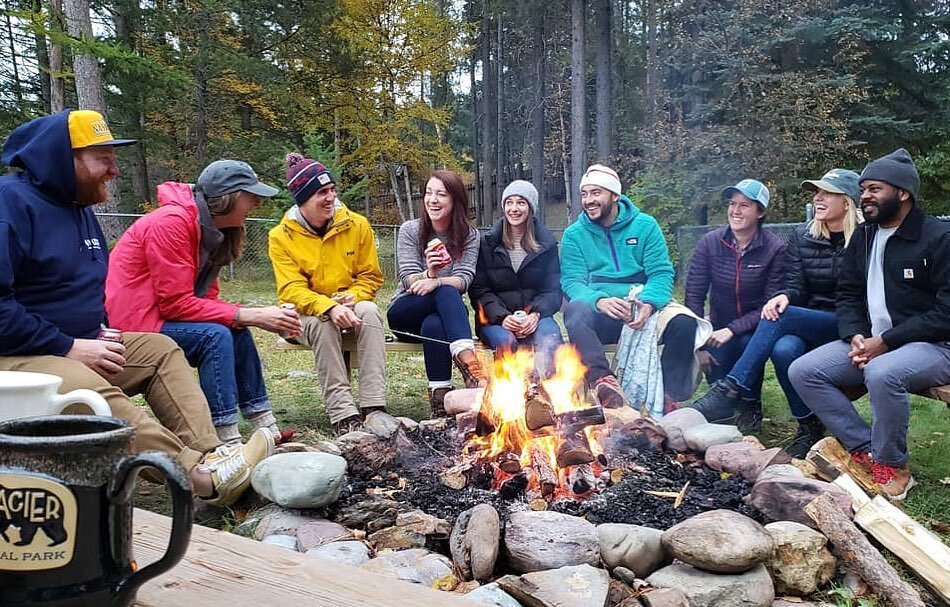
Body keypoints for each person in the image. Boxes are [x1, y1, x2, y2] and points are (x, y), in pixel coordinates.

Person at [0, 109, 271, 506]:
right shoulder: (11, 203)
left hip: (70, 343)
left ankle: (212, 456)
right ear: (63, 158)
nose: (114, 170)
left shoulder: (79, 210)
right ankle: (195, 478)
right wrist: (69, 346)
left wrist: (99, 329)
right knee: (82, 385)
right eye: (103, 158)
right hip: (17, 357)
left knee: (160, 351)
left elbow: (83, 291)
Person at [789, 149, 950, 500]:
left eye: (874, 189)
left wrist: (887, 342)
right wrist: (856, 336)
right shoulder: (864, 236)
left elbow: (945, 314)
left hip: (934, 346)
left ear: (902, 193)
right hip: (874, 341)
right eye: (863, 189)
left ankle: (895, 467)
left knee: (882, 373)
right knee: (803, 370)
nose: (865, 196)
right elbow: (846, 294)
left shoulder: (937, 237)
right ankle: (865, 448)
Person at [106, 159, 301, 444]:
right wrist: (250, 314)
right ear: (228, 198)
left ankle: (265, 427)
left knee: (235, 330)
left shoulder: (213, 230)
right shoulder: (170, 223)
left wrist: (243, 317)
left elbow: (206, 296)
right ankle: (226, 438)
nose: (257, 203)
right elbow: (174, 303)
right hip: (134, 323)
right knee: (215, 335)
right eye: (251, 196)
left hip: (161, 317)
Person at [689, 170, 861, 444]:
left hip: (850, 325)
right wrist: (787, 296)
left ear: (848, 201)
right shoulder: (803, 236)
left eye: (827, 192)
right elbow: (795, 286)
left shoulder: (866, 240)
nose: (817, 197)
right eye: (816, 192)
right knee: (784, 348)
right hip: (807, 320)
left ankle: (731, 388)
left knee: (779, 315)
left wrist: (784, 303)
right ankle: (808, 428)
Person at [561, 164, 700, 408]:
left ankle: (668, 398)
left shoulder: (645, 226)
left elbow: (661, 273)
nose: (589, 200)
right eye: (585, 194)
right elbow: (572, 281)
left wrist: (648, 303)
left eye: (596, 193)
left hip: (642, 306)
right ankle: (603, 382)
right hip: (602, 313)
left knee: (684, 324)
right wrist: (600, 301)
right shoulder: (574, 235)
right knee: (575, 312)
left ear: (615, 195)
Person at [268, 153, 387, 436]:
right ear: (303, 199)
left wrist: (354, 296)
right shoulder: (281, 236)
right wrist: (328, 307)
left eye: (332, 190)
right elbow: (291, 289)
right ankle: (343, 415)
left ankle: (374, 408)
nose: (330, 197)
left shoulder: (356, 225)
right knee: (323, 323)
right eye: (322, 192)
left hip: (348, 305)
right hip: (302, 314)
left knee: (369, 311)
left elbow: (370, 275)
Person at [686, 179, 786, 427]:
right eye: (732, 204)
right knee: (716, 361)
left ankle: (751, 404)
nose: (735, 211)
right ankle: (723, 405)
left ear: (760, 212)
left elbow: (769, 304)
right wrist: (696, 344)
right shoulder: (710, 243)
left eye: (744, 205)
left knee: (745, 342)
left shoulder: (774, 248)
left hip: (757, 326)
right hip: (717, 326)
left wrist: (732, 329)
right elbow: (694, 294)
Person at [387, 169, 487, 416]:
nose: (433, 199)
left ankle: (440, 401)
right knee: (446, 293)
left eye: (441, 194)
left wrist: (437, 283)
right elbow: (409, 278)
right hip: (405, 313)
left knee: (435, 323)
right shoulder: (410, 230)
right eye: (429, 193)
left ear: (455, 201)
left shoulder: (470, 236)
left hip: (443, 317)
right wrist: (431, 274)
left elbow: (465, 279)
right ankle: (472, 369)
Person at [469, 180, 562, 374]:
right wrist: (503, 317)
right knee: (506, 342)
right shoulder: (487, 243)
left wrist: (535, 314)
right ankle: (509, 398)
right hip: (495, 319)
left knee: (550, 338)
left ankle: (549, 394)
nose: (514, 209)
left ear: (531, 208)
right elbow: (479, 290)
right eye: (509, 203)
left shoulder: (547, 244)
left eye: (521, 202)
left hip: (536, 317)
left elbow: (552, 290)